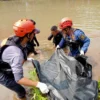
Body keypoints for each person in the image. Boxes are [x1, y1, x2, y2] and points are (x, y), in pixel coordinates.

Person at [0, 19, 49, 100]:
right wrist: (38, 84)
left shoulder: (14, 39)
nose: (34, 35)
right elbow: (19, 79)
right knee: (21, 90)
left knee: (16, 79)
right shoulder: (16, 53)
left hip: (4, 64)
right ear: (28, 35)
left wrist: (26, 59)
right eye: (33, 33)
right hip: (1, 72)